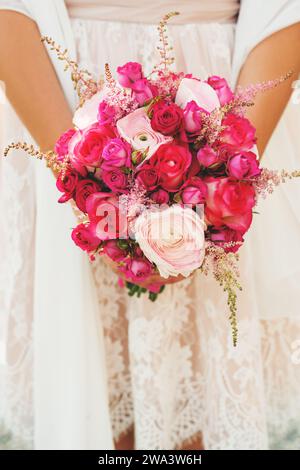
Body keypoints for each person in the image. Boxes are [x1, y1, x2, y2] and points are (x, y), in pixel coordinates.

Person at [0, 0, 300, 450]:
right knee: (96, 394)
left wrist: (222, 177)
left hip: (220, 102)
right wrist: (82, 178)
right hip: (65, 103)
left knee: (199, 410)